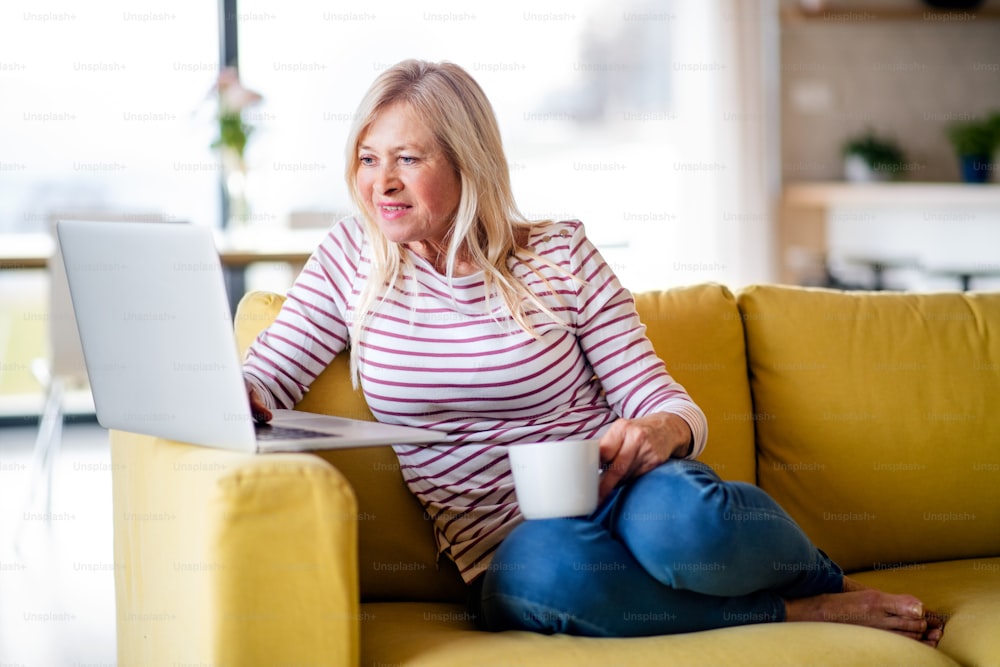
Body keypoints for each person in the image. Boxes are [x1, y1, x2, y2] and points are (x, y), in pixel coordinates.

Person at [242, 59, 944, 646]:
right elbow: (266, 372)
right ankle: (800, 610)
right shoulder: (350, 261)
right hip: (507, 543)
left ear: (467, 162)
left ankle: (824, 578)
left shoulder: (559, 254)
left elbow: (663, 399)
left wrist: (663, 429)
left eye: (407, 158)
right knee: (553, 582)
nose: (381, 182)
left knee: (692, 523)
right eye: (368, 158)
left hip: (623, 492)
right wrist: (231, 395)